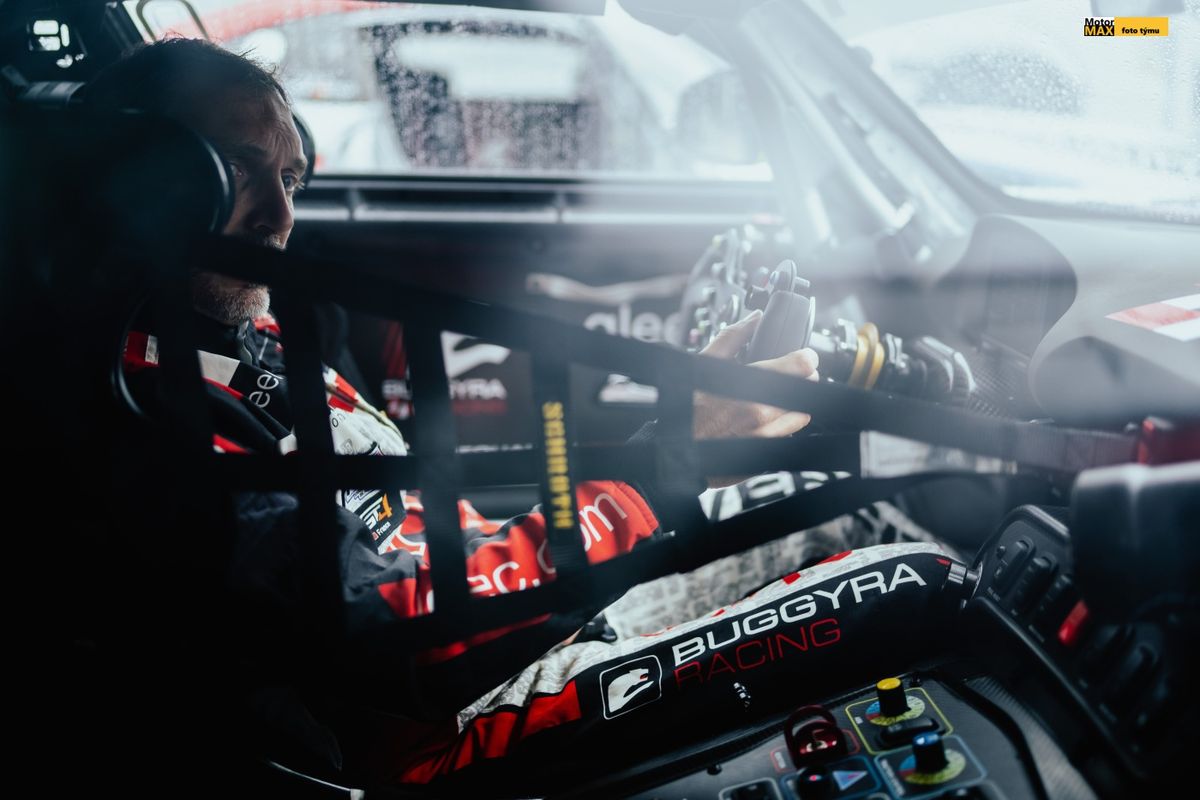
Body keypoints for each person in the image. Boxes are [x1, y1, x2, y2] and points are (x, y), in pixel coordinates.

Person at [84, 38, 945, 790]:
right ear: (138, 177)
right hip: (444, 730)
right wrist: (670, 461)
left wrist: (677, 426)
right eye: (238, 172)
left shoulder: (241, 333)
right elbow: (409, 649)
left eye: (290, 178)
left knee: (824, 510)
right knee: (907, 578)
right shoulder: (156, 415)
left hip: (518, 612)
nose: (281, 217)